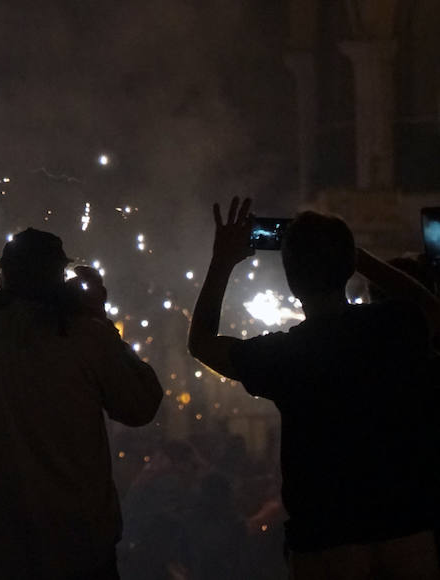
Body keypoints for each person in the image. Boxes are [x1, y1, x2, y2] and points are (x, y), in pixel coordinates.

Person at [187, 198, 440, 579]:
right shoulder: (394, 327)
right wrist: (362, 260)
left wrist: (222, 261)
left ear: (291, 279)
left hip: (327, 546)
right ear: (347, 267)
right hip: (406, 535)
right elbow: (427, 305)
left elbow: (202, 342)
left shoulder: (287, 355)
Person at [0, 228, 163, 579]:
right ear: (59, 277)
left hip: (8, 547)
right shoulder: (88, 337)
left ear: (3, 277)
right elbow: (142, 404)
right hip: (84, 548)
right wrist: (101, 319)